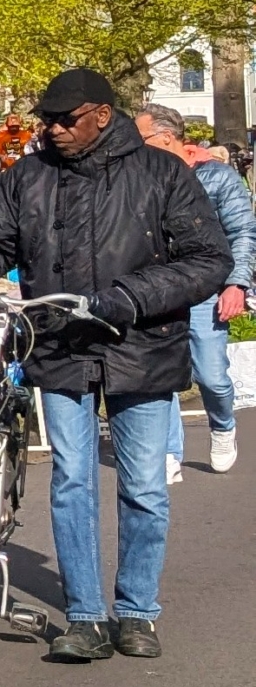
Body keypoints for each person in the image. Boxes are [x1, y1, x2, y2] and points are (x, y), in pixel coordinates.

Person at [0, 70, 228, 661]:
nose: (51, 129)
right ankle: (86, 616)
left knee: (144, 485)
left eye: (64, 119)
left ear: (100, 115)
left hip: (141, 343)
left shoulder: (162, 173)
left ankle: (138, 611)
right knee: (72, 480)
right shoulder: (29, 177)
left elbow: (206, 259)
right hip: (61, 344)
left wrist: (130, 296)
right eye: (48, 119)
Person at [134, 104, 254, 477]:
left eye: (141, 140)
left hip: (207, 288)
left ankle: (223, 426)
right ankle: (169, 454)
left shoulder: (217, 177)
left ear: (166, 138)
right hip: (161, 288)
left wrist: (237, 283)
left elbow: (242, 232)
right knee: (162, 373)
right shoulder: (143, 178)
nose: (134, 148)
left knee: (211, 375)